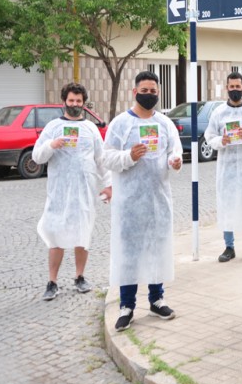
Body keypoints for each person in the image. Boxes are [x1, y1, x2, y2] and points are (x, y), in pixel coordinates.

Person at [102, 71, 183, 332]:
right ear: (134, 92)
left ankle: (157, 299)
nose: (150, 95)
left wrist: (175, 161)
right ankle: (126, 306)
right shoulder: (120, 124)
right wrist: (129, 156)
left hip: (158, 200)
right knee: (130, 253)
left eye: (153, 91)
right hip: (129, 203)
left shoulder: (165, 123)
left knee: (156, 250)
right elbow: (106, 158)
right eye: (145, 91)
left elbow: (174, 150)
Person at [33, 82, 112, 301]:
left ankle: (80, 277)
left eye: (79, 101)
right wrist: (52, 145)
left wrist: (109, 183)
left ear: (84, 103)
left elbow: (101, 159)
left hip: (84, 191)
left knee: (82, 234)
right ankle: (52, 281)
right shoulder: (53, 127)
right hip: (58, 192)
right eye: (71, 100)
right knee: (55, 235)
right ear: (64, 102)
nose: (75, 104)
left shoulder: (91, 129)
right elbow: (37, 157)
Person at [204, 72, 242, 263]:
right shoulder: (219, 112)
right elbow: (209, 136)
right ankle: (229, 246)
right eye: (232, 87)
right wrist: (220, 140)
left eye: (238, 87)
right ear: (227, 88)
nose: (235, 90)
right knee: (227, 205)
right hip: (227, 167)